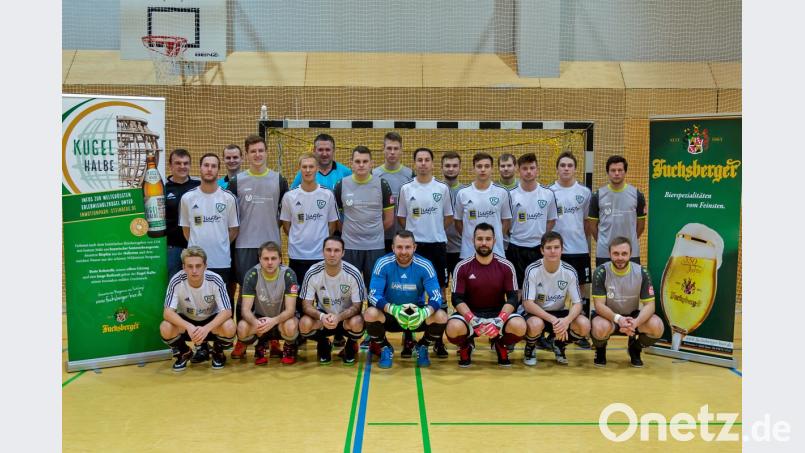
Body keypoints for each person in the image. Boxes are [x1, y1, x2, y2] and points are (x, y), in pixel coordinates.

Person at [179, 153, 239, 363]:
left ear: (218, 170)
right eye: (206, 165)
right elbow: (187, 231)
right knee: (198, 306)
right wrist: (197, 255)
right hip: (196, 264)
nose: (209, 169)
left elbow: (233, 230)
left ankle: (219, 347)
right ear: (201, 168)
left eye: (214, 166)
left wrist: (218, 245)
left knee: (220, 306)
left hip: (221, 261)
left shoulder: (228, 198)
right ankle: (201, 347)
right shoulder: (188, 198)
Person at [396, 147, 453, 359]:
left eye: (426, 160)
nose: (422, 163)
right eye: (419, 160)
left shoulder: (442, 188)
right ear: (414, 163)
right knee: (411, 291)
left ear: (432, 163)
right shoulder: (406, 189)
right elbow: (402, 219)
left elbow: (448, 217)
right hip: (415, 246)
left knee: (440, 291)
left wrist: (433, 230)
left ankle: (438, 340)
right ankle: (408, 337)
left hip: (437, 245)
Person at [364, 230, 448, 369]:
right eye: (399, 247)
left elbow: (437, 296)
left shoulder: (425, 265)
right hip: (391, 313)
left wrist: (424, 313)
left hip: (416, 315)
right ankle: (385, 348)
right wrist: (393, 309)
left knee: (441, 316)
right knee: (370, 313)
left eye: (408, 247)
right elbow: (373, 295)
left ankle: (422, 346)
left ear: (414, 247)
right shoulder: (382, 263)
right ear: (393, 248)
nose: (403, 252)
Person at [446, 223, 525, 367]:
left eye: (488, 239)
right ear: (473, 240)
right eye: (480, 239)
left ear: (494, 241)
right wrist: (473, 319)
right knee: (452, 328)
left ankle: (500, 344)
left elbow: (513, 298)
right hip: (470, 315)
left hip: (497, 314)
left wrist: (500, 320)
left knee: (519, 325)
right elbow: (456, 298)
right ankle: (466, 345)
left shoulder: (506, 266)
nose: (484, 243)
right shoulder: (462, 266)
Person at [228, 135, 288, 316]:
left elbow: (284, 213)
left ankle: (272, 340)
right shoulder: (236, 181)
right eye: (253, 151)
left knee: (273, 292)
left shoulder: (279, 180)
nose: (257, 154)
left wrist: (269, 225)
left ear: (266, 152)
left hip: (271, 245)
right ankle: (243, 340)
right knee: (245, 292)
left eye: (261, 150)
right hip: (244, 245)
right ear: (246, 155)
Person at [590, 237, 665, 367]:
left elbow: (650, 306)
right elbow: (599, 305)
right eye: (616, 253)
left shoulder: (642, 272)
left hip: (632, 318)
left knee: (657, 326)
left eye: (624, 253)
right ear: (609, 254)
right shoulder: (601, 272)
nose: (620, 257)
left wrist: (635, 323)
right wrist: (618, 319)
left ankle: (635, 348)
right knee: (599, 328)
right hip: (609, 318)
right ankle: (600, 349)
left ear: (630, 253)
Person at [160, 246, 236, 371]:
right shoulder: (176, 281)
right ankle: (184, 352)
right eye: (190, 266)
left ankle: (218, 351)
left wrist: (206, 329)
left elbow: (227, 311)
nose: (194, 270)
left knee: (229, 326)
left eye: (198, 266)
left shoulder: (215, 280)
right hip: (187, 321)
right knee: (165, 327)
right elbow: (167, 313)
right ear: (184, 267)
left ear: (205, 266)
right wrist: (189, 327)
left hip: (210, 322)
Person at [520, 231, 591, 366]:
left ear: (562, 249)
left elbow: (577, 303)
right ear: (542, 250)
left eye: (556, 247)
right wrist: (553, 320)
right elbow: (527, 303)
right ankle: (530, 347)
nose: (553, 251)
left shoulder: (569, 271)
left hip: (560, 314)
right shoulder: (533, 270)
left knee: (584, 325)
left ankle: (558, 344)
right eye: (548, 248)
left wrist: (566, 321)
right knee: (535, 325)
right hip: (537, 313)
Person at [298, 236, 366, 365]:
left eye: (336, 250)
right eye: (328, 250)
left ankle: (350, 346)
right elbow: (306, 305)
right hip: (325, 318)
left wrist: (339, 317)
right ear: (322, 251)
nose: (332, 254)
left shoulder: (353, 273)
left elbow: (358, 306)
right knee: (304, 324)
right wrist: (322, 316)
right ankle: (324, 343)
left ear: (343, 252)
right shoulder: (312, 272)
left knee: (358, 321)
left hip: (346, 318)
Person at [280, 153, 339, 300]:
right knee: (299, 301)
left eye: (311, 166)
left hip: (320, 256)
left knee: (323, 301)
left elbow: (332, 225)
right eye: (304, 167)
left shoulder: (327, 194)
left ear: (317, 168)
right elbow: (287, 227)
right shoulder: (289, 196)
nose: (307, 170)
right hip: (297, 256)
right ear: (300, 169)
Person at [334, 146, 395, 287]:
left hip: (375, 247)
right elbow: (337, 218)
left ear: (371, 163)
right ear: (352, 163)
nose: (361, 165)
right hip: (349, 247)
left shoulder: (382, 184)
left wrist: (374, 232)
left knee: (374, 290)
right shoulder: (341, 185)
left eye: (365, 161)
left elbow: (389, 220)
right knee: (348, 290)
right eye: (357, 161)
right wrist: (351, 232)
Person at [549, 151, 593, 349]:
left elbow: (586, 222)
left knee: (582, 288)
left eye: (570, 165)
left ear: (575, 169)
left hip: (579, 249)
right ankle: (554, 329)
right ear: (557, 169)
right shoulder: (550, 192)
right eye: (562, 165)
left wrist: (580, 241)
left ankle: (581, 330)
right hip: (557, 251)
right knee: (556, 289)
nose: (566, 168)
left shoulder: (584, 193)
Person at [231, 242, 300, 365]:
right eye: (266, 258)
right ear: (259, 259)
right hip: (260, 319)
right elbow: (245, 311)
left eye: (273, 258)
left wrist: (273, 321)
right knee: (241, 328)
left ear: (280, 259)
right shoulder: (252, 275)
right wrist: (257, 323)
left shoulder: (289, 274)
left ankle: (289, 347)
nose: (269, 262)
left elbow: (290, 310)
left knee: (291, 326)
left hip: (281, 320)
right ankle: (259, 344)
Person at [506, 153, 557, 287]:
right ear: (519, 171)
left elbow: (551, 220)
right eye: (525, 168)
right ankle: (517, 308)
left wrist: (539, 236)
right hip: (516, 246)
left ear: (537, 170)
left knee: (539, 285)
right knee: (517, 286)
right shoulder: (511, 195)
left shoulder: (548, 194)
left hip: (538, 248)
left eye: (532, 168)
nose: (528, 171)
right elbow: (506, 222)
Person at [587, 155, 647, 267]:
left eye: (620, 170)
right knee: (604, 284)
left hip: (630, 252)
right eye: (613, 170)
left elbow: (641, 226)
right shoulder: (597, 195)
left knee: (631, 284)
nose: (617, 173)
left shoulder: (637, 194)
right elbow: (592, 226)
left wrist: (629, 241)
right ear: (608, 172)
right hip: (605, 252)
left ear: (625, 172)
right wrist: (603, 241)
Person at [454, 152, 513, 259]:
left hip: (496, 252)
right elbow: (458, 222)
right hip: (469, 252)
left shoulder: (502, 192)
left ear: (492, 169)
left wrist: (497, 237)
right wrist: (469, 236)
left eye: (487, 166)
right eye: (479, 166)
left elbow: (506, 221)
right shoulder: (463, 193)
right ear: (473, 169)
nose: (483, 169)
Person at [372, 131, 414, 252]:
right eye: (389, 148)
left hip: (403, 237)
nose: (392, 152)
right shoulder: (374, 175)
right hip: (380, 235)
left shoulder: (410, 175)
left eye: (396, 148)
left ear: (401, 150)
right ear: (383, 150)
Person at [165, 148, 200, 278]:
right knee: (174, 282)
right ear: (170, 165)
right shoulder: (162, 188)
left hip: (196, 246)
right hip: (173, 247)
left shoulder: (199, 186)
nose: (182, 166)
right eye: (178, 163)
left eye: (186, 163)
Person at [441, 151, 465, 279]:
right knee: (441, 287)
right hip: (440, 248)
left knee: (462, 289)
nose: (451, 169)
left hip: (461, 250)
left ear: (460, 168)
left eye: (455, 166)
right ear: (442, 167)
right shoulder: (435, 189)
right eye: (447, 165)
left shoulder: (467, 192)